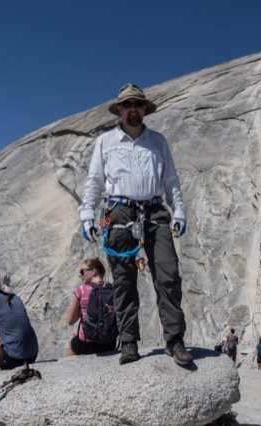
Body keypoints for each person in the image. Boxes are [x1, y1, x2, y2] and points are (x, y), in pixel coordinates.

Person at [78, 83, 193, 366]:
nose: (133, 109)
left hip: (155, 211)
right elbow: (94, 181)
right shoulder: (105, 141)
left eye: (138, 104)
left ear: (144, 109)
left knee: (168, 275)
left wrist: (179, 211)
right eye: (127, 104)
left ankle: (174, 339)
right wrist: (87, 214)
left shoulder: (158, 141)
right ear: (119, 109)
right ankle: (128, 341)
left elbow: (171, 180)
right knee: (123, 280)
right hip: (119, 212)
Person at [66, 258, 117, 356]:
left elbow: (70, 321)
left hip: (86, 344)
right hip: (110, 342)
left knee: (74, 340)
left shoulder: (81, 290)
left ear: (93, 271)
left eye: (82, 272)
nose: (80, 275)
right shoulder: (113, 289)